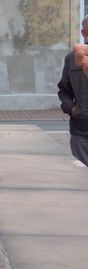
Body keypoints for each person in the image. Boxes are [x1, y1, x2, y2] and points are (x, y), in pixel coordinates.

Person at [58, 16, 88, 165]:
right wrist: (72, 109)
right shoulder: (72, 59)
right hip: (81, 129)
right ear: (84, 33)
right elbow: (64, 90)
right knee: (82, 179)